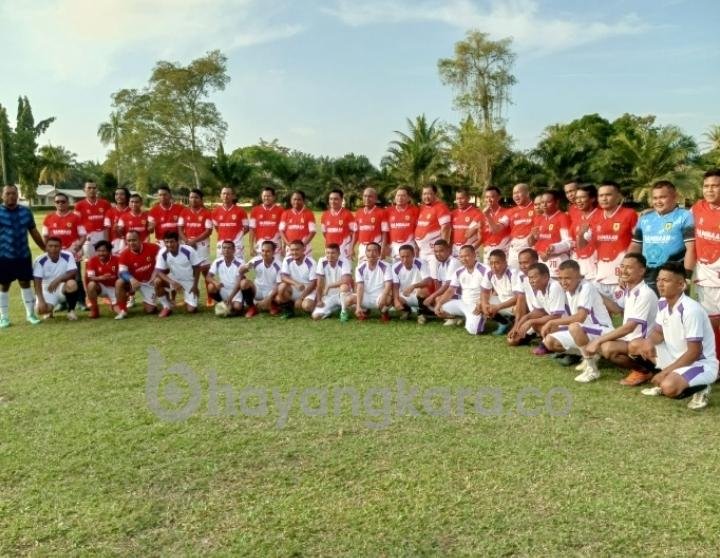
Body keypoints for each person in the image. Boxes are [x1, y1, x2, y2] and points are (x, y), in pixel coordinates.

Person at [630, 262, 718, 410]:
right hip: (675, 357)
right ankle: (670, 377)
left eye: (666, 280)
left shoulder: (690, 310)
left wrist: (664, 372)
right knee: (635, 345)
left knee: (669, 387)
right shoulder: (662, 302)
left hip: (700, 364)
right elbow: (658, 332)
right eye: (658, 280)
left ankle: (702, 388)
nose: (660, 284)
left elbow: (694, 353)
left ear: (681, 284)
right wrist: (649, 341)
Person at [581, 253, 658, 385]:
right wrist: (595, 292)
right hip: (630, 339)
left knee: (607, 348)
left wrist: (598, 340)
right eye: (622, 266)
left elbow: (629, 327)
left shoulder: (644, 294)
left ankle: (644, 371)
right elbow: (617, 309)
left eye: (629, 267)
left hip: (643, 344)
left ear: (642, 271)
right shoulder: (629, 289)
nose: (623, 270)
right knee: (602, 344)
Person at [539, 260, 614, 381]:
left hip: (602, 329)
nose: (563, 282)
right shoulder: (569, 289)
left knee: (574, 326)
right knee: (549, 341)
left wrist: (552, 322)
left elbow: (580, 317)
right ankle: (590, 356)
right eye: (560, 278)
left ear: (578, 277)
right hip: (586, 330)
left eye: (567, 278)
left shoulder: (586, 287)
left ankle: (592, 369)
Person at [630, 180, 695, 293]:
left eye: (663, 197)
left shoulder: (685, 216)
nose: (658, 201)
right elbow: (635, 245)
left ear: (675, 197)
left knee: (672, 310)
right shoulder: (644, 218)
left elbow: (691, 248)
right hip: (647, 275)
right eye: (655, 198)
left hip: (673, 276)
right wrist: (627, 268)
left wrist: (687, 276)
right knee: (645, 309)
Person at [0, 184, 45, 326]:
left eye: (14, 193)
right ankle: (4, 317)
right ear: (2, 195)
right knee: (4, 285)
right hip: (4, 256)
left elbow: (34, 231)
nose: (11, 196)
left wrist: (45, 248)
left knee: (25, 283)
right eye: (8, 193)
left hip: (23, 255)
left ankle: (30, 315)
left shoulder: (26, 212)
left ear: (18, 195)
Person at [589, 181, 637, 298]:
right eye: (601, 195)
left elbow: (638, 242)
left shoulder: (629, 214)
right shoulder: (595, 216)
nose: (604, 198)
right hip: (600, 275)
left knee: (626, 312)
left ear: (618, 196)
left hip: (622, 274)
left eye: (608, 195)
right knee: (601, 312)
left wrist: (628, 271)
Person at [691, 169, 720, 360]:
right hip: (704, 274)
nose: (710, 190)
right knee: (711, 321)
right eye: (706, 186)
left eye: (715, 186)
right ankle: (714, 360)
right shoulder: (697, 208)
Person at [508, 262, 567, 354]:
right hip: (559, 323)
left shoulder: (554, 286)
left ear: (545, 277)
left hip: (568, 324)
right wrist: (518, 326)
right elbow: (539, 311)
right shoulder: (539, 289)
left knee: (538, 323)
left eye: (534, 277)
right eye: (530, 278)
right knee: (514, 339)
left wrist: (530, 322)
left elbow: (557, 316)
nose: (531, 281)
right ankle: (547, 343)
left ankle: (550, 346)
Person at [42, 192, 87, 309]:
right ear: (54, 203)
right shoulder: (49, 218)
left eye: (63, 201)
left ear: (68, 203)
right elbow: (45, 236)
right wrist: (47, 250)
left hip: (71, 252)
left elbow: (83, 235)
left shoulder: (76, 218)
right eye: (57, 202)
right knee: (57, 276)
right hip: (55, 253)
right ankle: (62, 302)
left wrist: (78, 246)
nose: (60, 204)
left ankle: (81, 302)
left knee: (76, 278)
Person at [435, 244, 489, 333]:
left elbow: (490, 290)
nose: (464, 259)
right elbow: (450, 291)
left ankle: (479, 317)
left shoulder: (485, 269)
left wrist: (481, 302)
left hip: (476, 305)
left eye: (467, 256)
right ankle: (461, 317)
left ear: (474, 255)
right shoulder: (459, 271)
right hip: (463, 303)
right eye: (461, 257)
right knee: (440, 307)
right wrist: (439, 303)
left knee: (473, 330)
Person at [153, 231, 202, 317]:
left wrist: (195, 286)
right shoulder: (163, 252)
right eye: (166, 242)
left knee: (191, 310)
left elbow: (197, 268)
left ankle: (190, 299)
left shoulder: (188, 250)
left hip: (189, 280)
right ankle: (167, 306)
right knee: (157, 281)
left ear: (177, 241)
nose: (169, 244)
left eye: (172, 241)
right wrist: (172, 282)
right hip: (174, 279)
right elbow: (159, 271)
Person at [178, 189, 213, 305]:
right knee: (188, 272)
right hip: (187, 245)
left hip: (202, 245)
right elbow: (180, 229)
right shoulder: (184, 212)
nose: (193, 199)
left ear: (201, 199)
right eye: (191, 197)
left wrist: (195, 241)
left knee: (205, 271)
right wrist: (187, 241)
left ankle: (210, 298)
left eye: (196, 197)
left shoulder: (207, 213)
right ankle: (187, 298)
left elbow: (208, 231)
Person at [115, 230, 160, 319]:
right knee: (119, 282)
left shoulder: (154, 248)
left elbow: (163, 263)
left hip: (151, 281)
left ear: (140, 239)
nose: (131, 243)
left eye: (134, 240)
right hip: (136, 282)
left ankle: (161, 300)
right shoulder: (123, 254)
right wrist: (131, 279)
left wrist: (156, 274)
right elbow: (122, 272)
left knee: (150, 310)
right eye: (129, 240)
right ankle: (123, 311)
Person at [33, 237, 80, 321]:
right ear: (46, 247)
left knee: (72, 284)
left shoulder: (68, 255)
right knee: (40, 310)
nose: (53, 249)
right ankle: (49, 310)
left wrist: (58, 279)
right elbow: (37, 283)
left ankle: (71, 311)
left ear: (61, 247)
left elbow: (73, 271)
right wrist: (41, 300)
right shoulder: (39, 260)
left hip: (61, 286)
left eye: (56, 246)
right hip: (47, 289)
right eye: (50, 246)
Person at [345, 242, 393, 322]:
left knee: (388, 299)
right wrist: (358, 306)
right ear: (365, 252)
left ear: (379, 253)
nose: (372, 254)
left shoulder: (385, 266)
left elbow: (388, 285)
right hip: (366, 296)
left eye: (374, 251)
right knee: (348, 300)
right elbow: (360, 287)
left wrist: (383, 297)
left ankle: (384, 312)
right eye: (369, 251)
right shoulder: (360, 268)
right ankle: (363, 310)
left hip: (380, 297)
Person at [528, 190, 571, 277]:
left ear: (557, 203)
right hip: (541, 261)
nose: (544, 205)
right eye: (542, 202)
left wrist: (552, 249)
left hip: (557, 261)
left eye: (548, 202)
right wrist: (532, 237)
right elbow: (531, 243)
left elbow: (568, 242)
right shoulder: (539, 219)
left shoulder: (563, 217)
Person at [480, 249, 523, 336]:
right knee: (480, 304)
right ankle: (504, 322)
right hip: (501, 302)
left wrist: (498, 307)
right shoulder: (489, 273)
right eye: (491, 263)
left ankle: (517, 325)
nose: (493, 266)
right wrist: (484, 305)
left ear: (505, 263)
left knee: (518, 308)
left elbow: (518, 297)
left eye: (497, 263)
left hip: (515, 303)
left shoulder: (513, 273)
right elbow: (484, 292)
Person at [234, 240, 281, 318]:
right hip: (258, 290)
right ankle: (252, 308)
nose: (264, 253)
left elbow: (278, 284)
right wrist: (246, 267)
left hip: (271, 291)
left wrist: (268, 298)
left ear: (273, 252)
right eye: (263, 251)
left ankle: (273, 305)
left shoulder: (279, 265)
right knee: (244, 283)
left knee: (278, 300)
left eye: (268, 251)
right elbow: (240, 271)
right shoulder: (256, 260)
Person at [506, 248, 540, 345]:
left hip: (548, 317)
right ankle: (533, 332)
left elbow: (545, 311)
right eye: (520, 263)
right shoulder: (522, 276)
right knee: (512, 341)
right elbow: (521, 300)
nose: (522, 266)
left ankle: (541, 334)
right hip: (533, 315)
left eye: (525, 262)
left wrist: (527, 321)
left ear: (536, 262)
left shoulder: (545, 277)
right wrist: (516, 325)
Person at [391, 244, 433, 323]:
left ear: (413, 255)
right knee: (391, 296)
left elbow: (428, 280)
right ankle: (406, 311)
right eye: (402, 257)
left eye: (407, 256)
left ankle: (422, 314)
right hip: (405, 295)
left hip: (419, 295)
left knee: (423, 291)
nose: (405, 259)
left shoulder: (421, 263)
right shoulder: (395, 267)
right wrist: (396, 300)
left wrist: (413, 286)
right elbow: (395, 285)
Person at [276, 239, 317, 318]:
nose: (294, 252)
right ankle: (289, 311)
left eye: (297, 249)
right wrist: (296, 283)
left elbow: (313, 283)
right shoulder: (287, 260)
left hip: (307, 290)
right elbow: (283, 276)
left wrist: (301, 298)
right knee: (281, 288)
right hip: (294, 287)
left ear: (304, 249)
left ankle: (315, 306)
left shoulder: (311, 263)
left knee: (307, 306)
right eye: (292, 250)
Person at [312, 243, 353, 321]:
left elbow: (346, 280)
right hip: (329, 296)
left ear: (339, 254)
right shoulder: (322, 261)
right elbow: (319, 283)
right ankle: (332, 310)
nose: (330, 255)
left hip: (344, 295)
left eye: (333, 253)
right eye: (328, 253)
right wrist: (319, 300)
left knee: (344, 286)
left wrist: (329, 286)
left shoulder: (344, 261)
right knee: (315, 316)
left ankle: (343, 312)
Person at [206, 240, 246, 316]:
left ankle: (235, 305)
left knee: (237, 307)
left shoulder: (240, 262)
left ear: (234, 250)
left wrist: (230, 298)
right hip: (223, 290)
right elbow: (208, 276)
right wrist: (215, 282)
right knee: (210, 287)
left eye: (229, 248)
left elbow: (239, 282)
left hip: (235, 291)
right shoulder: (217, 261)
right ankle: (222, 302)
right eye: (224, 248)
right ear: (221, 250)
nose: (226, 250)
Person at [570, 184, 600, 280]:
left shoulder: (601, 216)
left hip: (598, 272)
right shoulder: (577, 219)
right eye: (577, 198)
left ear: (592, 199)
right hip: (582, 271)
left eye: (582, 197)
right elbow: (574, 245)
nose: (578, 201)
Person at [74, 181, 111, 259]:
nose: (92, 190)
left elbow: (110, 221)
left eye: (94, 188)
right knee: (90, 260)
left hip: (103, 235)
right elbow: (76, 225)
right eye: (89, 188)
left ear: (97, 189)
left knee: (104, 259)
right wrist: (79, 242)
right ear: (84, 190)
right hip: (88, 236)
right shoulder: (79, 205)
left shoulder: (105, 204)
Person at [415, 185, 451, 263]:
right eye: (424, 194)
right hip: (421, 252)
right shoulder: (422, 208)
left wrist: (442, 249)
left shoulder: (441, 207)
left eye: (429, 194)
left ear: (435, 194)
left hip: (433, 254)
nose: (426, 196)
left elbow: (446, 228)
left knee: (433, 275)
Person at [424, 239, 461, 315]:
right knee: (435, 297)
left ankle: (454, 316)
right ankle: (448, 314)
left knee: (438, 298)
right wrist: (434, 297)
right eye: (436, 251)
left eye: (441, 251)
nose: (438, 254)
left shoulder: (453, 262)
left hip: (458, 294)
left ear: (448, 250)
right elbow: (440, 284)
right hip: (449, 293)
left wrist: (432, 297)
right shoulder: (441, 265)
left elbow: (447, 285)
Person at [85, 240, 120, 318]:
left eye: (103, 251)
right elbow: (90, 277)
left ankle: (114, 303)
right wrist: (101, 278)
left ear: (109, 251)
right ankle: (94, 310)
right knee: (91, 285)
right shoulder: (92, 260)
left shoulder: (117, 259)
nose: (101, 253)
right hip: (101, 287)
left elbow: (123, 276)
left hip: (115, 288)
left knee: (120, 312)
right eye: (98, 251)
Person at [211, 186, 249, 258]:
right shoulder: (215, 211)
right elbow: (217, 227)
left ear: (233, 196)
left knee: (238, 267)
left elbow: (246, 227)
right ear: (221, 195)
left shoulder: (241, 211)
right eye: (224, 194)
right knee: (221, 266)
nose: (226, 196)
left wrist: (238, 237)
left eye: (228, 194)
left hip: (236, 244)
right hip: (222, 244)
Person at [353, 187, 388, 260]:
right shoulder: (358, 212)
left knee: (375, 270)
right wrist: (351, 247)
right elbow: (356, 232)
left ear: (375, 198)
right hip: (362, 247)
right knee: (362, 270)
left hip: (376, 247)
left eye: (370, 196)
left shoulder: (382, 212)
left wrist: (383, 249)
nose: (367, 198)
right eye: (365, 196)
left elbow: (385, 233)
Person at [320, 190, 355, 260]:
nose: (333, 201)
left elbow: (354, 232)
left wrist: (351, 247)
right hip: (329, 248)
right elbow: (324, 233)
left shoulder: (348, 214)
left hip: (344, 247)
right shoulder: (325, 215)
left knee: (345, 269)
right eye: (331, 199)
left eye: (336, 199)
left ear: (341, 200)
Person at [248, 187, 283, 258]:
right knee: (260, 268)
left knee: (275, 268)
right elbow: (252, 230)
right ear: (261, 196)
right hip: (260, 246)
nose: (266, 198)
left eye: (269, 196)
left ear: (273, 197)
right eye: (264, 196)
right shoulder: (255, 210)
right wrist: (251, 247)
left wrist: (284, 246)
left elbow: (283, 230)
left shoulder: (281, 211)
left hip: (275, 246)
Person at [279, 190, 316, 256]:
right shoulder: (285, 213)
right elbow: (281, 231)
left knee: (305, 266)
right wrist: (287, 244)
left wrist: (303, 245)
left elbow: (312, 231)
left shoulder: (309, 214)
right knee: (290, 265)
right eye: (294, 199)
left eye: (299, 199)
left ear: (303, 201)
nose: (296, 202)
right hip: (290, 247)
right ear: (291, 200)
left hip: (305, 248)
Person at [506, 183, 535, 267]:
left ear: (527, 193)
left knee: (531, 274)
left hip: (530, 248)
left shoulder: (537, 208)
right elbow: (498, 228)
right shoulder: (511, 211)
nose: (515, 196)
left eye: (518, 192)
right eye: (514, 193)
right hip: (514, 249)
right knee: (513, 274)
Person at [386, 187, 419, 259]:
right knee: (396, 269)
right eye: (398, 195)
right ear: (395, 198)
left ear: (408, 198)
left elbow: (419, 229)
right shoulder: (388, 211)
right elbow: (385, 230)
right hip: (394, 247)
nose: (400, 198)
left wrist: (417, 245)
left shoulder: (415, 210)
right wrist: (386, 244)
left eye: (403, 195)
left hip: (410, 245)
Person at [480, 186, 510, 264]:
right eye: (486, 197)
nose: (489, 200)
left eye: (492, 197)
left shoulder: (507, 212)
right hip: (487, 251)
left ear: (499, 197)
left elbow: (495, 230)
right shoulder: (481, 214)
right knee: (488, 275)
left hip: (502, 250)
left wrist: (487, 215)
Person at [450, 188, 483, 256]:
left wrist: (471, 250)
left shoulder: (477, 213)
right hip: (455, 251)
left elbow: (481, 238)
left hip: (471, 251)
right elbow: (450, 235)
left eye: (461, 198)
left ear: (468, 198)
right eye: (457, 198)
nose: (459, 201)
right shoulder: (453, 214)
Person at [104, 187, 131, 254]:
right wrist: (107, 245)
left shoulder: (131, 211)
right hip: (114, 244)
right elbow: (107, 230)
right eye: (117, 194)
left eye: (122, 194)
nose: (119, 196)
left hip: (130, 243)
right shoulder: (109, 212)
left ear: (127, 196)